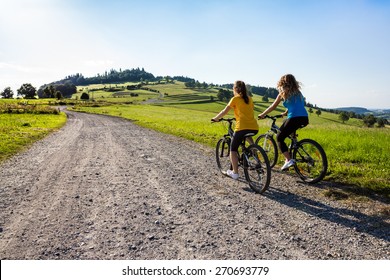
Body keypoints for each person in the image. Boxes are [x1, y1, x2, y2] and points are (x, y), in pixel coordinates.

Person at [258, 74, 309, 170]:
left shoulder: (283, 93)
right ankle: (294, 145)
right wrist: (285, 112)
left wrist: (262, 114)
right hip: (304, 118)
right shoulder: (298, 92)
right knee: (290, 129)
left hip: (294, 118)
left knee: (279, 138)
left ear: (282, 83)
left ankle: (289, 160)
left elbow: (272, 107)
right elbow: (298, 105)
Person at [212, 80, 259, 180]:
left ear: (236, 89)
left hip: (241, 127)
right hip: (254, 127)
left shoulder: (235, 99)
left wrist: (216, 118)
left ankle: (235, 173)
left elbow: (224, 111)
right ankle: (255, 155)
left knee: (233, 149)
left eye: (233, 88)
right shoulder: (250, 99)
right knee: (248, 137)